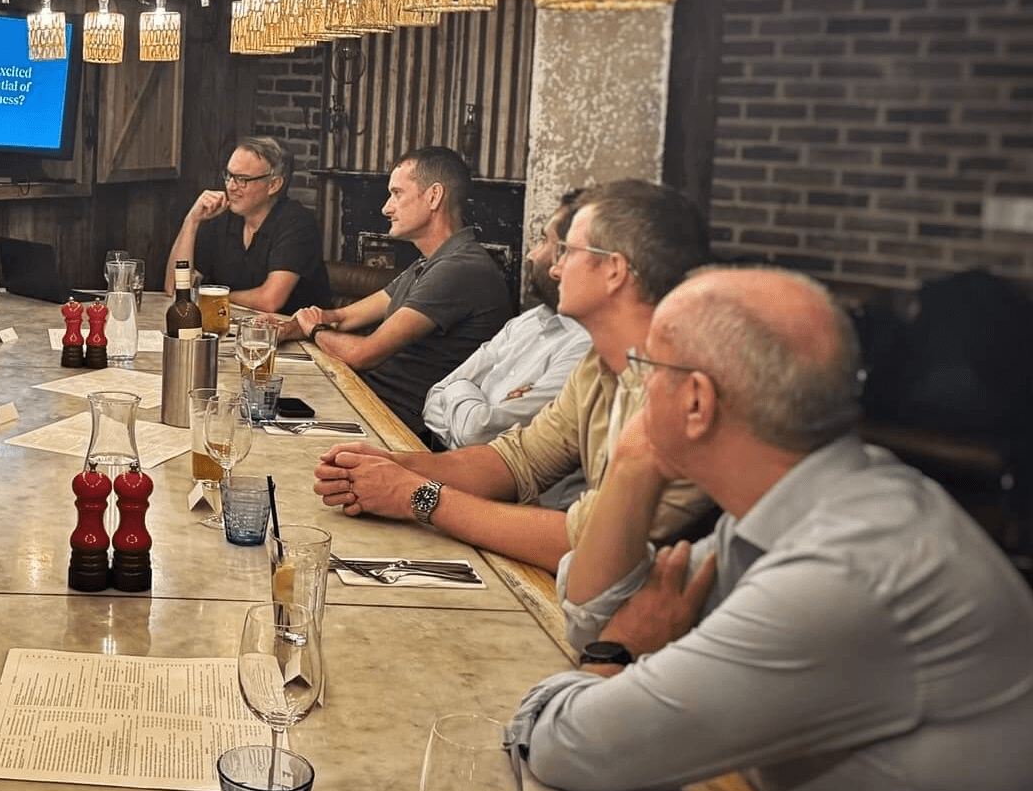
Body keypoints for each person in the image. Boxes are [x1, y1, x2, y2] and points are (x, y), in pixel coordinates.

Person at [508, 267, 1033, 791]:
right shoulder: (814, 502)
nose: (637, 383)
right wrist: (634, 467)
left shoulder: (845, 572)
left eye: (648, 368)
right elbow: (592, 610)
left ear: (697, 402)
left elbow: (564, 743)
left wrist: (617, 652)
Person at [312, 179, 713, 572]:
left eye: (568, 251)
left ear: (614, 270)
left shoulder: (679, 392)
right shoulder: (600, 363)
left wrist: (416, 495)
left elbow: (591, 543)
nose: (554, 268)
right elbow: (517, 461)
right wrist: (393, 465)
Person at [279, 146, 510, 435]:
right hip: (366, 395)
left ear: (434, 196)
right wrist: (287, 329)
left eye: (397, 194)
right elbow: (342, 317)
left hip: (397, 422)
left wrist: (313, 329)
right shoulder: (429, 262)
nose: (386, 208)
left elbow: (364, 354)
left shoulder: (460, 268)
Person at [420, 188, 591, 473]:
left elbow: (478, 435)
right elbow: (434, 397)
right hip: (447, 468)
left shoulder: (585, 348)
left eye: (545, 241)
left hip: (476, 484)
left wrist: (459, 391)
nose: (532, 255)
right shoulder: (531, 320)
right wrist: (475, 406)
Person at [163, 136, 331, 313]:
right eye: (229, 175)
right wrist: (192, 221)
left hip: (290, 329)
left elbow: (269, 301)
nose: (231, 186)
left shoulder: (298, 222)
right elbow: (174, 289)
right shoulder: (221, 215)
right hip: (229, 325)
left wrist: (207, 298)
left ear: (273, 185)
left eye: (242, 179)